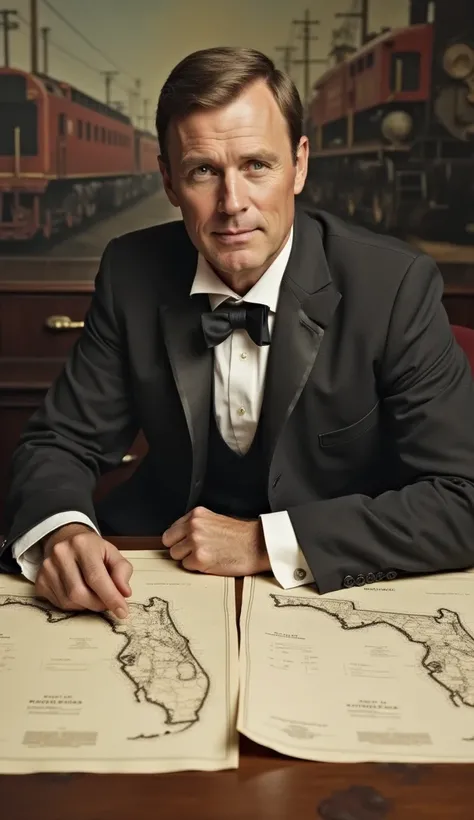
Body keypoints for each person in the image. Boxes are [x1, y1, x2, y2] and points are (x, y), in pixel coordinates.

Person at [1, 46, 474, 619]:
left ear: (299, 165)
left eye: (257, 165)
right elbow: (60, 443)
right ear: (169, 180)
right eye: (204, 170)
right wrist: (62, 530)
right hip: (157, 570)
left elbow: (462, 499)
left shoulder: (394, 284)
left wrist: (265, 542)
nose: (232, 204)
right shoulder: (132, 271)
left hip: (335, 588)